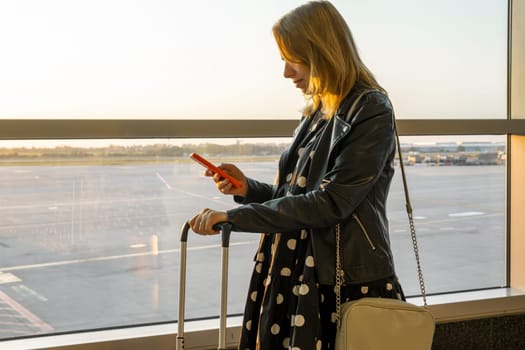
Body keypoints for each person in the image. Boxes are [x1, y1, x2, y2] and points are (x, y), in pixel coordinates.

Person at [189, 1, 405, 349]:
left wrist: (233, 217)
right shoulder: (318, 112)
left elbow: (330, 203)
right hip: (292, 269)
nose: (287, 73)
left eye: (294, 59)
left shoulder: (371, 109)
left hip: (340, 280)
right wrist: (248, 189)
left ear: (324, 52)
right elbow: (296, 198)